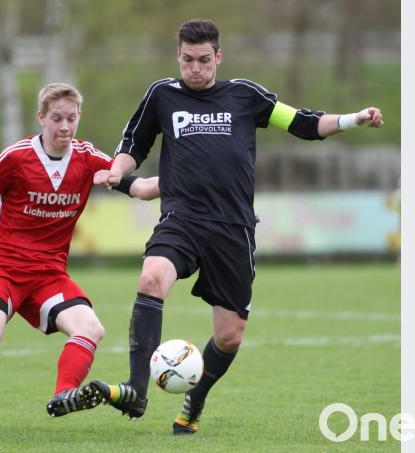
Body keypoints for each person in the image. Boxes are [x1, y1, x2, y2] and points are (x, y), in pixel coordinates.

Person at [91, 18, 384, 435]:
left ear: (219, 57)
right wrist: (116, 170)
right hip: (183, 218)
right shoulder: (162, 95)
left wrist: (355, 118)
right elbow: (132, 145)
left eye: (204, 60)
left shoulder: (246, 95)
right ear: (178, 56)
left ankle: (196, 398)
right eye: (188, 60)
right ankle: (137, 390)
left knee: (229, 337)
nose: (195, 68)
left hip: (234, 228)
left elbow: (303, 123)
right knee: (152, 276)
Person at [0, 82, 155, 433]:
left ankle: (64, 395)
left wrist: (181, 179)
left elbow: (139, 188)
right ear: (41, 118)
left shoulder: (89, 159)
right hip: (3, 268)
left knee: (91, 328)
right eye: (56, 119)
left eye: (72, 118)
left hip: (48, 275)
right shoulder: (16, 157)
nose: (65, 127)